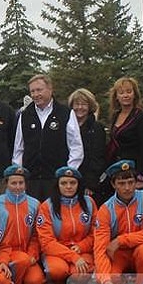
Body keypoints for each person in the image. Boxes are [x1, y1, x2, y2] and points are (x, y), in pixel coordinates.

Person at [94, 160, 143, 284]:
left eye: (131, 182)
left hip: (140, 251)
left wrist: (120, 240)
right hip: (118, 255)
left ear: (136, 182)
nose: (127, 188)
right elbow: (100, 249)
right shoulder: (105, 209)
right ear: (113, 184)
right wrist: (106, 281)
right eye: (121, 183)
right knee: (107, 280)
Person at [12, 74, 84, 202]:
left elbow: (76, 146)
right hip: (31, 179)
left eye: (39, 90)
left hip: (57, 179)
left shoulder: (66, 113)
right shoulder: (25, 115)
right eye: (32, 91)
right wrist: (18, 173)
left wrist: (69, 171)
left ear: (50, 89)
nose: (35, 94)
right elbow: (19, 148)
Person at [36, 166, 97, 284]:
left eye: (72, 183)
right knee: (57, 270)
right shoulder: (47, 206)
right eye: (63, 183)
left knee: (81, 272)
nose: (68, 186)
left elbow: (96, 233)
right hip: (56, 251)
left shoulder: (89, 203)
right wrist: (73, 256)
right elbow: (46, 242)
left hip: (82, 250)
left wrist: (81, 247)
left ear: (78, 184)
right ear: (57, 185)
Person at [0, 165, 44, 284]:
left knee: (35, 281)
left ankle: (18, 283)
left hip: (25, 253)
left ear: (25, 184)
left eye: (21, 183)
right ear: (6, 183)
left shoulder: (35, 204)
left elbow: (36, 234)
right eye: (13, 183)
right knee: (15, 265)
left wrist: (32, 254)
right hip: (4, 253)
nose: (17, 187)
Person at [105, 77, 143, 197]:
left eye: (129, 91)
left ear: (135, 94)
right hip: (116, 168)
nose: (125, 95)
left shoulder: (142, 117)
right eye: (121, 92)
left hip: (133, 170)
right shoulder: (115, 115)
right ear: (116, 96)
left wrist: (140, 175)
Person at [68, 88, 107, 205]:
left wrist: (90, 184)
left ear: (90, 106)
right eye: (77, 104)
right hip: (69, 179)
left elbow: (98, 157)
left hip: (88, 183)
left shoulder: (97, 128)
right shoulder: (67, 126)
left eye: (84, 104)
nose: (80, 107)